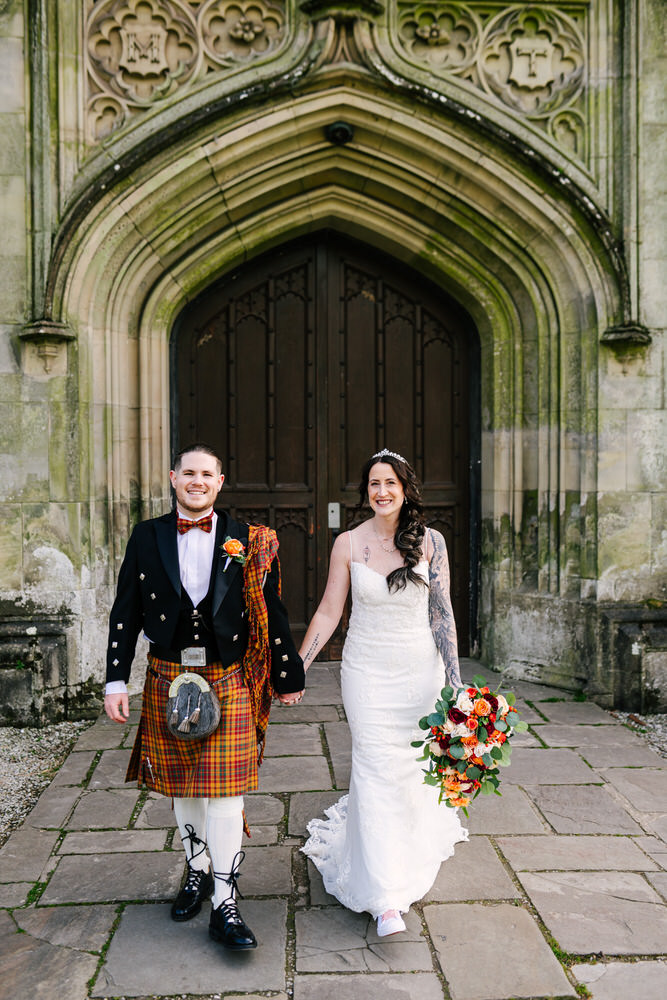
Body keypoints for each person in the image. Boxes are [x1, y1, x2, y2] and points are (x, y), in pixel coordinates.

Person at [104, 443, 305, 951]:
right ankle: (195, 870)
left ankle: (225, 901)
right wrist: (113, 679)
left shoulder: (246, 538)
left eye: (207, 474)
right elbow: (125, 608)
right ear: (173, 478)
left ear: (220, 482)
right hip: (167, 672)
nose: (197, 481)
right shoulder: (146, 536)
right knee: (185, 788)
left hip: (227, 673)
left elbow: (269, 605)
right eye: (187, 473)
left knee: (225, 790)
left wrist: (287, 673)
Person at [298, 449, 468, 937]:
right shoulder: (349, 544)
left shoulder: (431, 542)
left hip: (420, 672)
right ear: (365, 492)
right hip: (367, 673)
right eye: (373, 483)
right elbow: (330, 611)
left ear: (405, 487)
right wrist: (299, 669)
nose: (381, 491)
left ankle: (406, 850)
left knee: (410, 769)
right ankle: (385, 896)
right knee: (373, 767)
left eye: (390, 482)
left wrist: (455, 685)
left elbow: (442, 614)